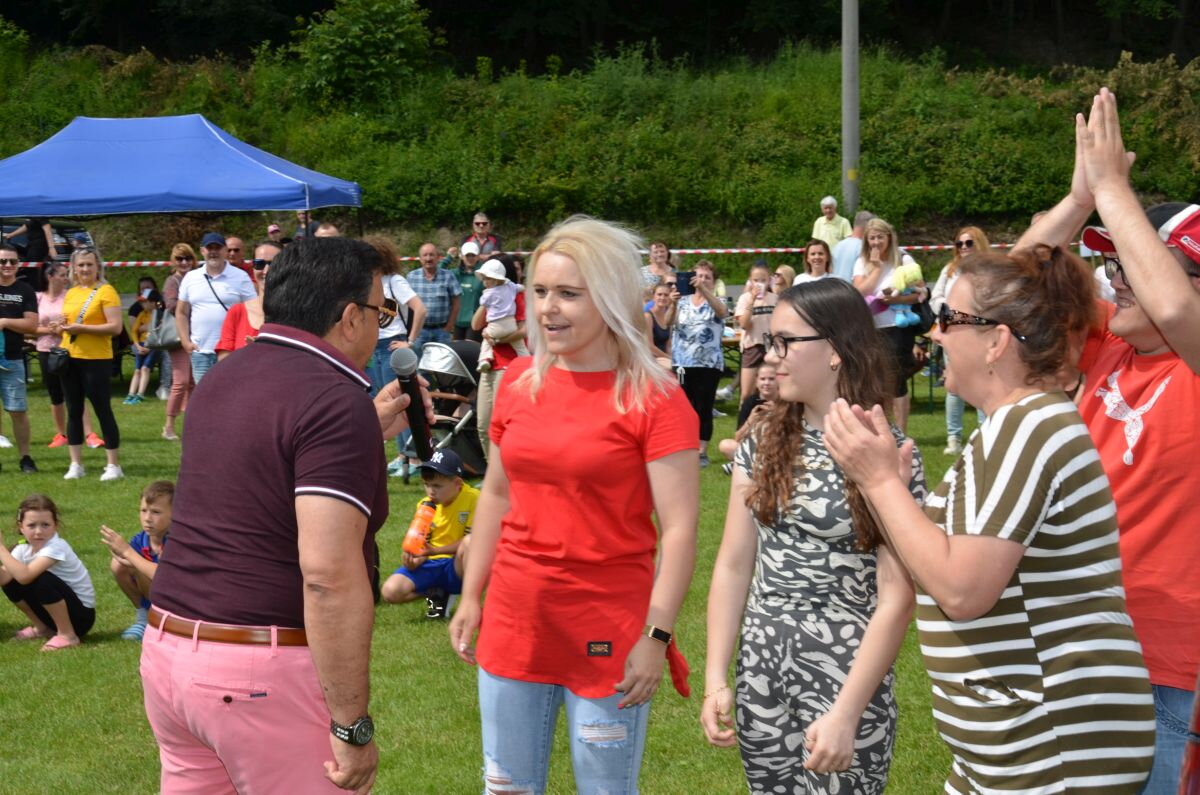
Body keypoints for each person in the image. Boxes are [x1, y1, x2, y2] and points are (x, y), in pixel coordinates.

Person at [824, 242, 1155, 792]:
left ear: (997, 341)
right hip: (1018, 743)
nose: (935, 333)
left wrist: (879, 483)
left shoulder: (1030, 427)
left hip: (1051, 743)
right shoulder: (1015, 426)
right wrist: (893, 493)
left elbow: (963, 590)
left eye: (948, 318)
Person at [143, 236, 422, 794]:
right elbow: (327, 576)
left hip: (169, 650)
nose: (381, 325)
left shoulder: (226, 376)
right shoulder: (333, 399)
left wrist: (361, 430)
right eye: (381, 310)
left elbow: (256, 475)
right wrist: (351, 724)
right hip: (257, 669)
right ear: (351, 317)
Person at [448, 216, 698, 794]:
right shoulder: (518, 382)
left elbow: (681, 529)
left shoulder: (655, 397)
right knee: (506, 787)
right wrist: (473, 594)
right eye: (539, 291)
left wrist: (656, 636)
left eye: (567, 293)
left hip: (607, 624)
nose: (547, 309)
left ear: (609, 297)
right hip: (516, 618)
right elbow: (497, 494)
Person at [1018, 87, 1199, 794]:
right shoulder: (1110, 346)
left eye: (1131, 264)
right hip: (1085, 642)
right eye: (1111, 264)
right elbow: (1011, 283)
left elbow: (1176, 306)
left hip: (1168, 665)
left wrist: (1117, 189)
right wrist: (1081, 199)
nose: (1113, 280)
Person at [703, 280, 924, 793]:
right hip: (762, 675)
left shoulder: (883, 451)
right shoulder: (763, 438)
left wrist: (847, 713)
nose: (770, 357)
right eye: (769, 342)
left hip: (846, 681)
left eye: (785, 342)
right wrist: (716, 677)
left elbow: (897, 596)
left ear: (835, 350)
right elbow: (734, 563)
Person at [380, 449, 478, 618]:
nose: (431, 491)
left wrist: (434, 551)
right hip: (432, 561)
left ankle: (468, 599)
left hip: (458, 563)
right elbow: (423, 543)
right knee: (390, 592)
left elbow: (474, 542)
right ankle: (437, 593)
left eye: (437, 486)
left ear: (457, 483)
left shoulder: (474, 499)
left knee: (470, 543)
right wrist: (415, 559)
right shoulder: (425, 505)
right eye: (427, 484)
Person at [851, 218, 926, 433]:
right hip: (872, 328)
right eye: (872, 238)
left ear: (889, 237)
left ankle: (900, 432)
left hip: (898, 327)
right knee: (876, 380)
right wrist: (876, 268)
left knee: (896, 380)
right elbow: (860, 292)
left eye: (880, 237)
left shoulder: (903, 258)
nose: (876, 242)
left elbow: (920, 292)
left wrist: (897, 300)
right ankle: (881, 429)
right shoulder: (862, 262)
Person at [55, 247, 123, 481]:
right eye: (81, 265)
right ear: (74, 268)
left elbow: (116, 327)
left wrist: (82, 328)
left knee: (103, 409)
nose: (85, 269)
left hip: (96, 360)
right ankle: (76, 463)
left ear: (97, 267)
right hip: (70, 357)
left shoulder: (106, 291)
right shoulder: (71, 293)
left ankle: (113, 465)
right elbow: (68, 325)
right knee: (73, 410)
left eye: (89, 264)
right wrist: (60, 326)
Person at [0, 494, 96, 651]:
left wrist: (1, 548)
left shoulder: (56, 546)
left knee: (40, 578)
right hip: (53, 613)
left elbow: (25, 577)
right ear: (21, 526)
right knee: (11, 580)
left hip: (80, 618)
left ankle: (68, 635)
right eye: (31, 525)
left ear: (55, 525)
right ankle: (42, 628)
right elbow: (4, 578)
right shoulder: (23, 548)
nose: (38, 531)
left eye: (45, 525)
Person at [930, 226, 991, 455]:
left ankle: (985, 434)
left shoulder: (988, 270)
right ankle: (953, 438)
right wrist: (946, 310)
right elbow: (935, 296)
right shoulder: (949, 270)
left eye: (969, 243)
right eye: (959, 243)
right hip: (952, 332)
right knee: (954, 387)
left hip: (979, 332)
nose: (963, 247)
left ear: (979, 244)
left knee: (982, 384)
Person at [176, 232, 255, 384]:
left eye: (217, 248)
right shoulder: (191, 277)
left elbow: (253, 310)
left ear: (225, 250)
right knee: (204, 395)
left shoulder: (241, 277)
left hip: (231, 350)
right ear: (202, 251)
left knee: (232, 393)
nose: (213, 252)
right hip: (201, 351)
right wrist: (185, 341)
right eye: (209, 248)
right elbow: (181, 312)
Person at [671, 260, 729, 467]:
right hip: (681, 363)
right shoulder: (682, 300)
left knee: (703, 407)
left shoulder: (717, 300)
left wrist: (704, 291)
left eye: (707, 277)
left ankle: (702, 452)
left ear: (713, 281)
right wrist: (672, 303)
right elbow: (669, 323)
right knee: (683, 407)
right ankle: (684, 447)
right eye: (699, 276)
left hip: (708, 364)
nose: (702, 280)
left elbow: (722, 313)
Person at [99, 480, 173, 641]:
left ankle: (165, 622)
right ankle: (144, 618)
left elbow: (163, 576)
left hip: (180, 603)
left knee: (137, 563)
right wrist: (124, 556)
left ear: (175, 514)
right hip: (155, 595)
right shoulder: (140, 540)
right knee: (118, 565)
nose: (147, 518)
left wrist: (127, 552)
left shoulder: (178, 541)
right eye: (143, 510)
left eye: (156, 512)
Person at [471, 254, 528, 461]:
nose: (486, 280)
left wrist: (499, 340)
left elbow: (524, 330)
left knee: (501, 423)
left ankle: (507, 470)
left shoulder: (517, 296)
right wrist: (488, 297)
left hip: (509, 365)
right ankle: (492, 470)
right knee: (483, 424)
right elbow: (475, 325)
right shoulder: (493, 295)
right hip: (489, 364)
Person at [36, 261, 98, 449]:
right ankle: (61, 434)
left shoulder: (70, 296)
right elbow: (31, 327)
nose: (66, 279)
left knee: (76, 393)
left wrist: (62, 329)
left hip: (69, 349)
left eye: (66, 275)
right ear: (50, 277)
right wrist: (50, 330)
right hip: (45, 350)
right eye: (62, 275)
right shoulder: (38, 298)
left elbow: (78, 320)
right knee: (55, 394)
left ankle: (89, 434)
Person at [363, 236, 426, 396]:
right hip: (374, 346)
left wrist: (410, 342)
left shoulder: (394, 281)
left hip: (392, 345)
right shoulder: (370, 283)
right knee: (381, 395)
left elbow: (420, 309)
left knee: (395, 397)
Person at [0, 243, 39, 473]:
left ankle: (25, 457)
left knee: (17, 411)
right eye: (2, 261)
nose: (7, 265)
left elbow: (32, 325)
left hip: (13, 359)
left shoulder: (25, 290)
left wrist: (5, 322)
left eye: (12, 261)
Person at [215, 241, 282, 360]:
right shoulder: (237, 312)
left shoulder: (297, 315)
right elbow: (223, 361)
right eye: (259, 264)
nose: (266, 270)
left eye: (274, 264)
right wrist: (247, 354)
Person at [161, 243, 196, 441]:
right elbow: (172, 306)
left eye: (187, 258)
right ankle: (168, 425)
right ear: (173, 261)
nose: (184, 262)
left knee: (192, 382)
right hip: (178, 337)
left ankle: (191, 424)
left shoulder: (197, 277)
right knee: (180, 381)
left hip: (197, 335)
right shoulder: (172, 281)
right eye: (180, 259)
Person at [733, 261, 777, 415]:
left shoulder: (775, 298)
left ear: (769, 280)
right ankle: (743, 422)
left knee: (772, 390)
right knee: (747, 393)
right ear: (750, 281)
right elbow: (744, 324)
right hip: (752, 346)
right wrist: (752, 300)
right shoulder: (745, 298)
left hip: (771, 347)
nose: (759, 283)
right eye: (756, 280)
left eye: (763, 280)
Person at [716, 361, 777, 471]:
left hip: (778, 446)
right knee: (726, 445)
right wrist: (751, 419)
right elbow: (737, 437)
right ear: (756, 381)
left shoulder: (786, 401)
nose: (766, 383)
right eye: (763, 379)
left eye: (771, 379)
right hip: (755, 447)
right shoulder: (751, 402)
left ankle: (744, 465)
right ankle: (756, 464)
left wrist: (778, 412)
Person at [406, 242, 460, 357]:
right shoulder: (411, 277)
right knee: (419, 364)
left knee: (442, 365)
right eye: (425, 255)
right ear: (420, 258)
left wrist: (449, 326)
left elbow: (456, 303)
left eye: (431, 255)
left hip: (442, 331)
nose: (428, 258)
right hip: (419, 332)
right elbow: (405, 304)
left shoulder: (448, 276)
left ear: (438, 257)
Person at [475, 258, 528, 370]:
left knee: (486, 342)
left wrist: (496, 340)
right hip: (510, 326)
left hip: (505, 364)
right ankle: (528, 361)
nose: (484, 282)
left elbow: (524, 331)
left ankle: (484, 359)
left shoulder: (489, 294)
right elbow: (475, 325)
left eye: (487, 278)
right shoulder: (512, 288)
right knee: (521, 348)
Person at [124, 283, 162, 405]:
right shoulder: (142, 314)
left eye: (145, 302)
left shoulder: (160, 315)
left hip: (154, 346)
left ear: (153, 302)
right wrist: (137, 345)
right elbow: (134, 331)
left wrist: (150, 348)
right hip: (141, 344)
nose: (142, 304)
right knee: (137, 370)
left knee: (145, 368)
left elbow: (160, 333)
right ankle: (131, 394)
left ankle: (140, 394)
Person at [454, 241, 484, 342]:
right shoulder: (455, 274)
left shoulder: (484, 273)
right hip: (458, 322)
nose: (470, 258)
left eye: (473, 255)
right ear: (462, 256)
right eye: (467, 255)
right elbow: (438, 273)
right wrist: (448, 258)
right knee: (457, 350)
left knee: (471, 350)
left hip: (475, 322)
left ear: (478, 256)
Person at [832, 211, 873, 283]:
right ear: (868, 227)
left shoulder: (838, 245)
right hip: (851, 288)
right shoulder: (864, 247)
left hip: (834, 286)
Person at [644, 282, 674, 360]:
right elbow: (650, 346)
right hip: (651, 358)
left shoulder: (669, 315)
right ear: (653, 297)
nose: (662, 298)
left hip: (665, 358)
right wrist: (669, 358)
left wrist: (672, 358)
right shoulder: (648, 316)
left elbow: (668, 344)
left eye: (666, 295)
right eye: (659, 294)